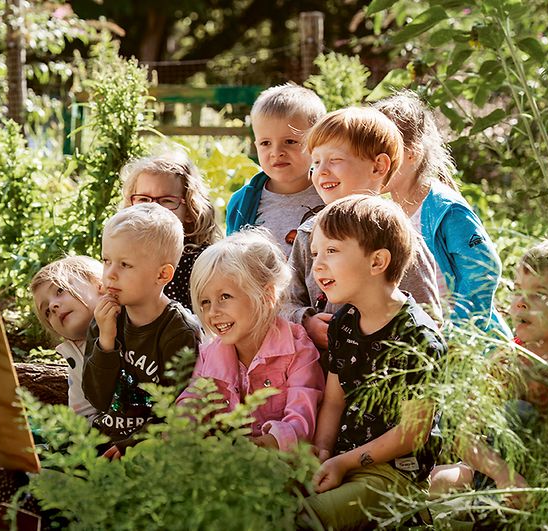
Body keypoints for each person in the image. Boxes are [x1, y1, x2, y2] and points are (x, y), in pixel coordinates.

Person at [430, 236, 548, 500]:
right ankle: (489, 508)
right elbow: (465, 435)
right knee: (514, 416)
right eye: (517, 290)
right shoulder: (510, 359)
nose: (520, 302)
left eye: (539, 295)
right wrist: (502, 475)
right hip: (509, 476)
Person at [303, 195, 446, 530]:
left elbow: (413, 431)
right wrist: (322, 452)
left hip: (393, 475)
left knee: (307, 518)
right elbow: (335, 400)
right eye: (315, 254)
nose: (317, 265)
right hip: (343, 459)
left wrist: (343, 463)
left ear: (377, 261)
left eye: (332, 251)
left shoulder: (418, 338)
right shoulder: (343, 324)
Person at [283, 107, 443, 350]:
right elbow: (287, 300)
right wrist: (307, 321)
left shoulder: (397, 238)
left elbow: (427, 317)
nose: (322, 171)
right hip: (321, 375)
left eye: (335, 160)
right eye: (316, 162)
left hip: (385, 374)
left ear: (378, 166)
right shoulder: (309, 235)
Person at [176, 229, 325, 451]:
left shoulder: (297, 350)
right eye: (205, 302)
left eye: (224, 297)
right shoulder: (210, 354)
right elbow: (193, 401)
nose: (213, 311)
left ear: (267, 295)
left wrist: (268, 443)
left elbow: (302, 418)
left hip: (280, 462)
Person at [374, 91, 509, 335]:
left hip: (466, 347)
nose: (373, 161)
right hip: (419, 344)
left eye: (381, 150)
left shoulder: (444, 209)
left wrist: (457, 335)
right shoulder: (383, 211)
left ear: (411, 153)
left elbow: (483, 269)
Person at [83, 203, 201, 457]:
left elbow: (175, 413)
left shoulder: (179, 332)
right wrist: (106, 340)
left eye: (125, 265)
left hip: (150, 450)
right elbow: (97, 399)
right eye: (107, 261)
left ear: (162, 275)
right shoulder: (105, 318)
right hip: (101, 439)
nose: (110, 275)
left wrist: (129, 447)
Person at [225, 83, 326, 255]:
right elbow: (233, 260)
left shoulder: (329, 196)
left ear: (316, 142)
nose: (276, 152)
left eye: (290, 142)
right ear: (256, 144)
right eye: (265, 143)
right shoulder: (242, 203)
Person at [119, 149, 221, 311]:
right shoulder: (122, 252)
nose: (153, 207)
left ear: (189, 210)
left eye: (166, 200)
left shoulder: (197, 261)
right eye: (143, 199)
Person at [30, 255, 104, 418]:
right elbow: (83, 413)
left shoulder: (134, 321)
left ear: (100, 284)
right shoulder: (76, 357)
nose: (52, 305)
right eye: (47, 312)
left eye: (60, 290)